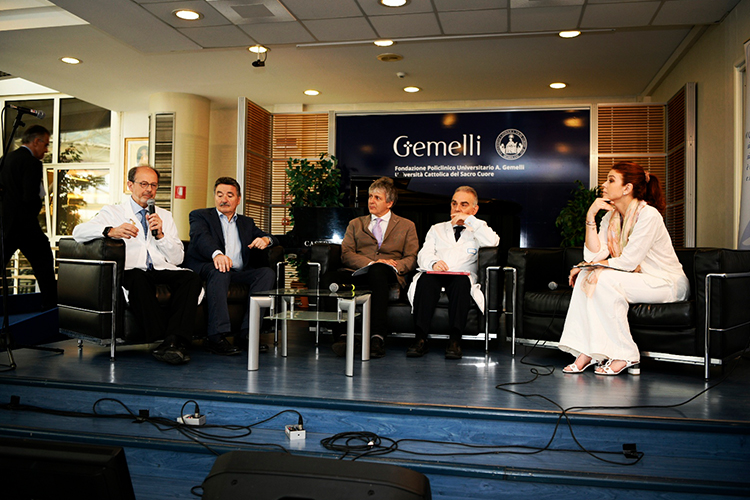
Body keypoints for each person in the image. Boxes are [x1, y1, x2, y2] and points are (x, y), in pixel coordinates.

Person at [559, 161, 689, 376]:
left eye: (611, 180)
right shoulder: (610, 217)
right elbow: (592, 256)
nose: (604, 184)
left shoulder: (649, 215)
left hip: (665, 282)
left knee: (603, 278)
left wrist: (592, 267)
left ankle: (626, 354)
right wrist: (590, 217)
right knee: (585, 275)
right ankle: (587, 351)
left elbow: (628, 262)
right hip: (637, 280)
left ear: (627, 188)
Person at [72, 165, 202, 365]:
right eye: (143, 184)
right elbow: (78, 232)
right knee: (138, 280)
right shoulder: (113, 212)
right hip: (132, 269)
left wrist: (160, 235)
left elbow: (177, 258)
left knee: (191, 278)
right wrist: (110, 230)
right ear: (130, 185)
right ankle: (169, 340)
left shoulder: (164, 216)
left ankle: (171, 341)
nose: (149, 189)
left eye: (153, 185)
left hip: (160, 268)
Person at [323, 177, 419, 358]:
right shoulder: (356, 223)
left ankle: (377, 338)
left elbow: (411, 257)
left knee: (378, 271)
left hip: (388, 273)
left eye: (377, 198)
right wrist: (370, 263)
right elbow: (347, 253)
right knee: (329, 278)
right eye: (370, 197)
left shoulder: (407, 225)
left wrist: (395, 265)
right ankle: (342, 336)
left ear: (389, 203)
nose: (371, 201)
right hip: (359, 271)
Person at [184, 177, 276, 356]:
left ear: (238, 199)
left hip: (237, 272)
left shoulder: (246, 222)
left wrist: (266, 239)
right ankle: (216, 337)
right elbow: (201, 238)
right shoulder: (200, 216)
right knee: (221, 269)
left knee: (266, 273)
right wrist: (216, 254)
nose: (224, 199)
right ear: (214, 197)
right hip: (208, 268)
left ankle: (247, 334)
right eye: (219, 195)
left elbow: (268, 236)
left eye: (229, 195)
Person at [406, 186, 499, 359]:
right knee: (425, 281)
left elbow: (493, 241)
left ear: (474, 209)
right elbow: (423, 254)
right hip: (436, 274)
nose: (457, 209)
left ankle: (455, 341)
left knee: (461, 283)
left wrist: (470, 220)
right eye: (454, 203)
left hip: (461, 276)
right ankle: (420, 339)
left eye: (464, 205)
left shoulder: (478, 229)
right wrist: (433, 263)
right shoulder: (437, 229)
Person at [0, 125, 57, 311]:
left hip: (5, 224)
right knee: (44, 263)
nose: (46, 150)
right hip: (25, 225)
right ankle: (50, 307)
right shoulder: (32, 163)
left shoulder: (5, 159)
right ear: (36, 142)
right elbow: (30, 196)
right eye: (46, 144)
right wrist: (35, 210)